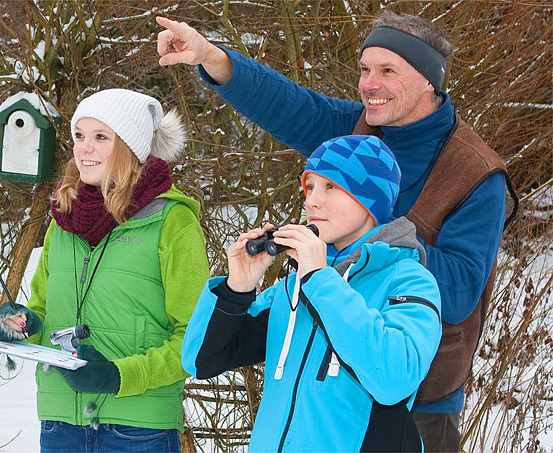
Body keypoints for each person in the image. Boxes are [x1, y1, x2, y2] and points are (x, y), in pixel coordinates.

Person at [156, 11, 518, 451]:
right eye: (365, 69)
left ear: (430, 81)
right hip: (315, 392)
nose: (369, 83)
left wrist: (369, 237)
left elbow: (460, 291)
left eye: (388, 71)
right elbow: (286, 103)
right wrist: (212, 56)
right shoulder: (356, 128)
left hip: (416, 401)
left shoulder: (477, 173)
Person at [182, 134, 441, 451]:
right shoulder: (293, 288)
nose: (311, 201)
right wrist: (237, 287)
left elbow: (394, 379)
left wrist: (320, 278)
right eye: (310, 187)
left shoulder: (409, 280)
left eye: (330, 186)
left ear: (371, 198)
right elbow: (200, 361)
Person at [0, 88, 209, 453]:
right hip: (60, 425)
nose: (84, 148)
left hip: (138, 431)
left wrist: (120, 375)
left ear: (131, 146)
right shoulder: (62, 220)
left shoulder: (172, 222)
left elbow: (196, 339)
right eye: (80, 136)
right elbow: (43, 309)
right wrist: (23, 324)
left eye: (100, 137)